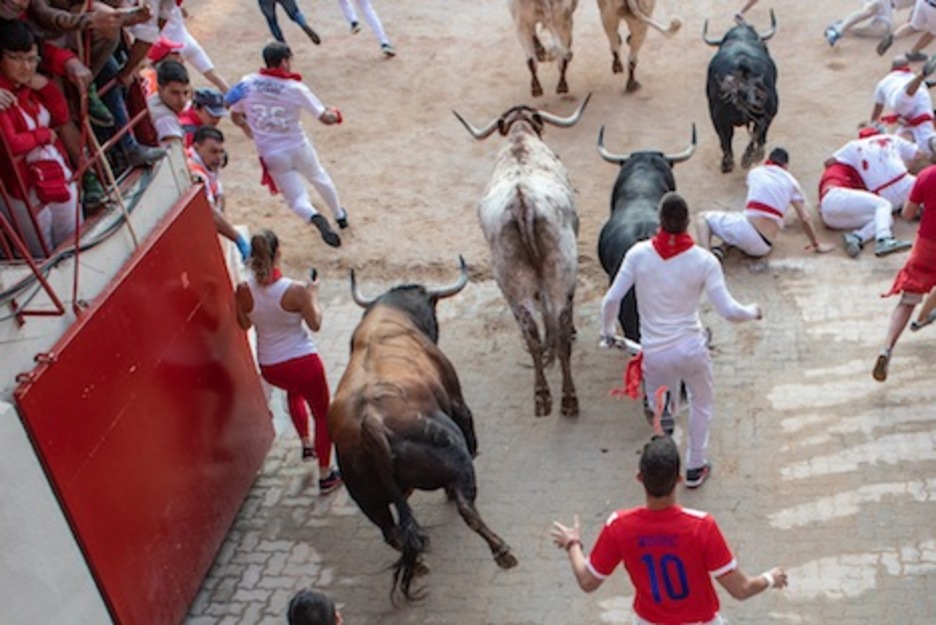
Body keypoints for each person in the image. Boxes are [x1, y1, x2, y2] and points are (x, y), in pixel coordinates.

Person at [600, 192, 761, 487]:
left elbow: (611, 299)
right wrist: (752, 312)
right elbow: (729, 311)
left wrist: (608, 332)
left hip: (655, 355)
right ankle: (695, 465)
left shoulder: (637, 255)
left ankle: (665, 472)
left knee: (661, 412)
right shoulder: (705, 260)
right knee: (702, 403)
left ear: (659, 220)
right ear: (687, 222)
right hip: (691, 349)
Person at [550, 434, 788, 625]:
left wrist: (573, 544)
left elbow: (587, 581)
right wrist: (770, 578)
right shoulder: (702, 526)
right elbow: (742, 589)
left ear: (639, 478)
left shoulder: (619, 526)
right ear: (679, 480)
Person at [234, 229, 343, 494]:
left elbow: (243, 323)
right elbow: (315, 324)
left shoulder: (243, 289)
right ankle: (326, 475)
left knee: (294, 393)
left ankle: (306, 444)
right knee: (322, 414)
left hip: (271, 367)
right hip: (303, 362)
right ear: (278, 253)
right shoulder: (296, 291)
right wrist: (313, 294)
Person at [226, 42, 349, 248]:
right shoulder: (295, 88)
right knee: (319, 177)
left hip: (271, 153)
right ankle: (339, 215)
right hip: (297, 146)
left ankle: (314, 215)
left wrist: (248, 129)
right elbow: (324, 118)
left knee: (296, 199)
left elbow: (234, 113)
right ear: (284, 61)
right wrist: (336, 115)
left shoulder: (248, 83)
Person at [0, 18, 80, 258]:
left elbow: (61, 114)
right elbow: (11, 144)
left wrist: (44, 85)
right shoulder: (2, 97)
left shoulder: (31, 86)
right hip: (21, 188)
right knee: (43, 255)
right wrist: (44, 135)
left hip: (56, 175)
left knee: (76, 241)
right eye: (16, 59)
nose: (25, 67)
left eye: (31, 59)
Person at [697, 148, 835, 259]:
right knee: (740, 220)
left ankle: (705, 260)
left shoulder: (755, 172)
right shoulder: (792, 181)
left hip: (746, 230)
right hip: (764, 247)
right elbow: (805, 218)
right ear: (785, 165)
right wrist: (816, 244)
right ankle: (724, 247)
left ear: (768, 161)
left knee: (702, 218)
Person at [873, 163, 936, 381]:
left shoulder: (927, 176)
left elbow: (908, 214)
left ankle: (887, 347)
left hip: (927, 245)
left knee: (908, 299)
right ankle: (926, 317)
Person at [820, 126, 917, 257]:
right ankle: (884, 240)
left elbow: (828, 162)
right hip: (835, 197)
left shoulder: (851, 154)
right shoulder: (845, 168)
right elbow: (919, 154)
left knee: (884, 218)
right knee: (883, 205)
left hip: (830, 218)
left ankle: (856, 237)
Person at [186, 126, 250, 261]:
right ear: (197, 148)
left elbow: (219, 194)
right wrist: (237, 238)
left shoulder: (207, 162)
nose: (219, 157)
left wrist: (219, 213)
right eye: (213, 151)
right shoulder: (194, 172)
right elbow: (210, 214)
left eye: (221, 152)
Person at [870, 56, 936, 159]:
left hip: (899, 103)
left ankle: (922, 76)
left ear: (892, 68)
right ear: (907, 66)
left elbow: (875, 116)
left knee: (898, 143)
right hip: (918, 105)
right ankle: (921, 76)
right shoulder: (911, 76)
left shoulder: (883, 83)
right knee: (927, 139)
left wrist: (879, 127)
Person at [825, 0, 914, 46]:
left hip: (887, 5)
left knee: (882, 30)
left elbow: (915, 15)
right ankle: (838, 31)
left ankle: (846, 29)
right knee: (872, 7)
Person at [146, 59, 191, 145]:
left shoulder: (153, 100)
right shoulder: (167, 120)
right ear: (160, 89)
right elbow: (176, 157)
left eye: (185, 93)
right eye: (175, 93)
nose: (182, 100)